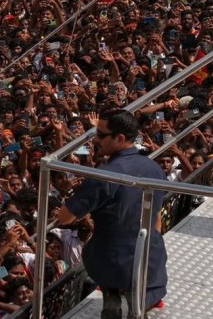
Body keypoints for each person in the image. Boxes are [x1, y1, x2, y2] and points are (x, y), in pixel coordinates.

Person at [56, 109, 168, 318]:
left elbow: (64, 217)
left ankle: (111, 290)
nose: (95, 140)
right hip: (151, 257)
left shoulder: (103, 176)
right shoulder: (154, 168)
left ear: (120, 138)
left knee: (92, 250)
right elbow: (157, 217)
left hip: (112, 261)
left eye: (100, 134)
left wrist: (71, 192)